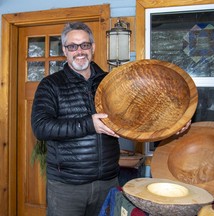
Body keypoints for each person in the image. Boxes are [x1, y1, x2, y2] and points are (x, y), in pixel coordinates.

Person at [31, 22, 191, 216]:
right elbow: (41, 127)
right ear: (65, 50)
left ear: (93, 47)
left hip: (108, 182)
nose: (79, 51)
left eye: (85, 45)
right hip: (67, 187)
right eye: (72, 46)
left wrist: (173, 126)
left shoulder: (112, 82)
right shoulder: (50, 85)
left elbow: (138, 121)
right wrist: (89, 124)